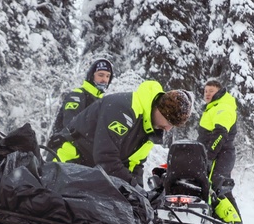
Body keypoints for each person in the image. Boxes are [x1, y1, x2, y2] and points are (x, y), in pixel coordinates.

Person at [53, 80, 190, 187]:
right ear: (160, 109)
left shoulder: (150, 128)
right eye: (169, 122)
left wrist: (142, 196)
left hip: (90, 172)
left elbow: (134, 165)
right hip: (66, 162)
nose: (168, 129)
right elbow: (106, 158)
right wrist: (133, 187)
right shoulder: (125, 109)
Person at [198, 79, 244, 224]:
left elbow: (220, 134)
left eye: (211, 90)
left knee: (218, 189)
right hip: (215, 154)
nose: (207, 94)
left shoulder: (223, 107)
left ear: (219, 91)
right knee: (214, 189)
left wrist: (209, 156)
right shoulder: (213, 108)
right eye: (205, 91)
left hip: (221, 154)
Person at [45, 58, 113, 155]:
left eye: (108, 76)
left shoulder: (102, 102)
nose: (104, 80)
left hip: (83, 158)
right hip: (63, 155)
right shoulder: (78, 95)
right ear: (91, 76)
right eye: (100, 75)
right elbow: (70, 126)